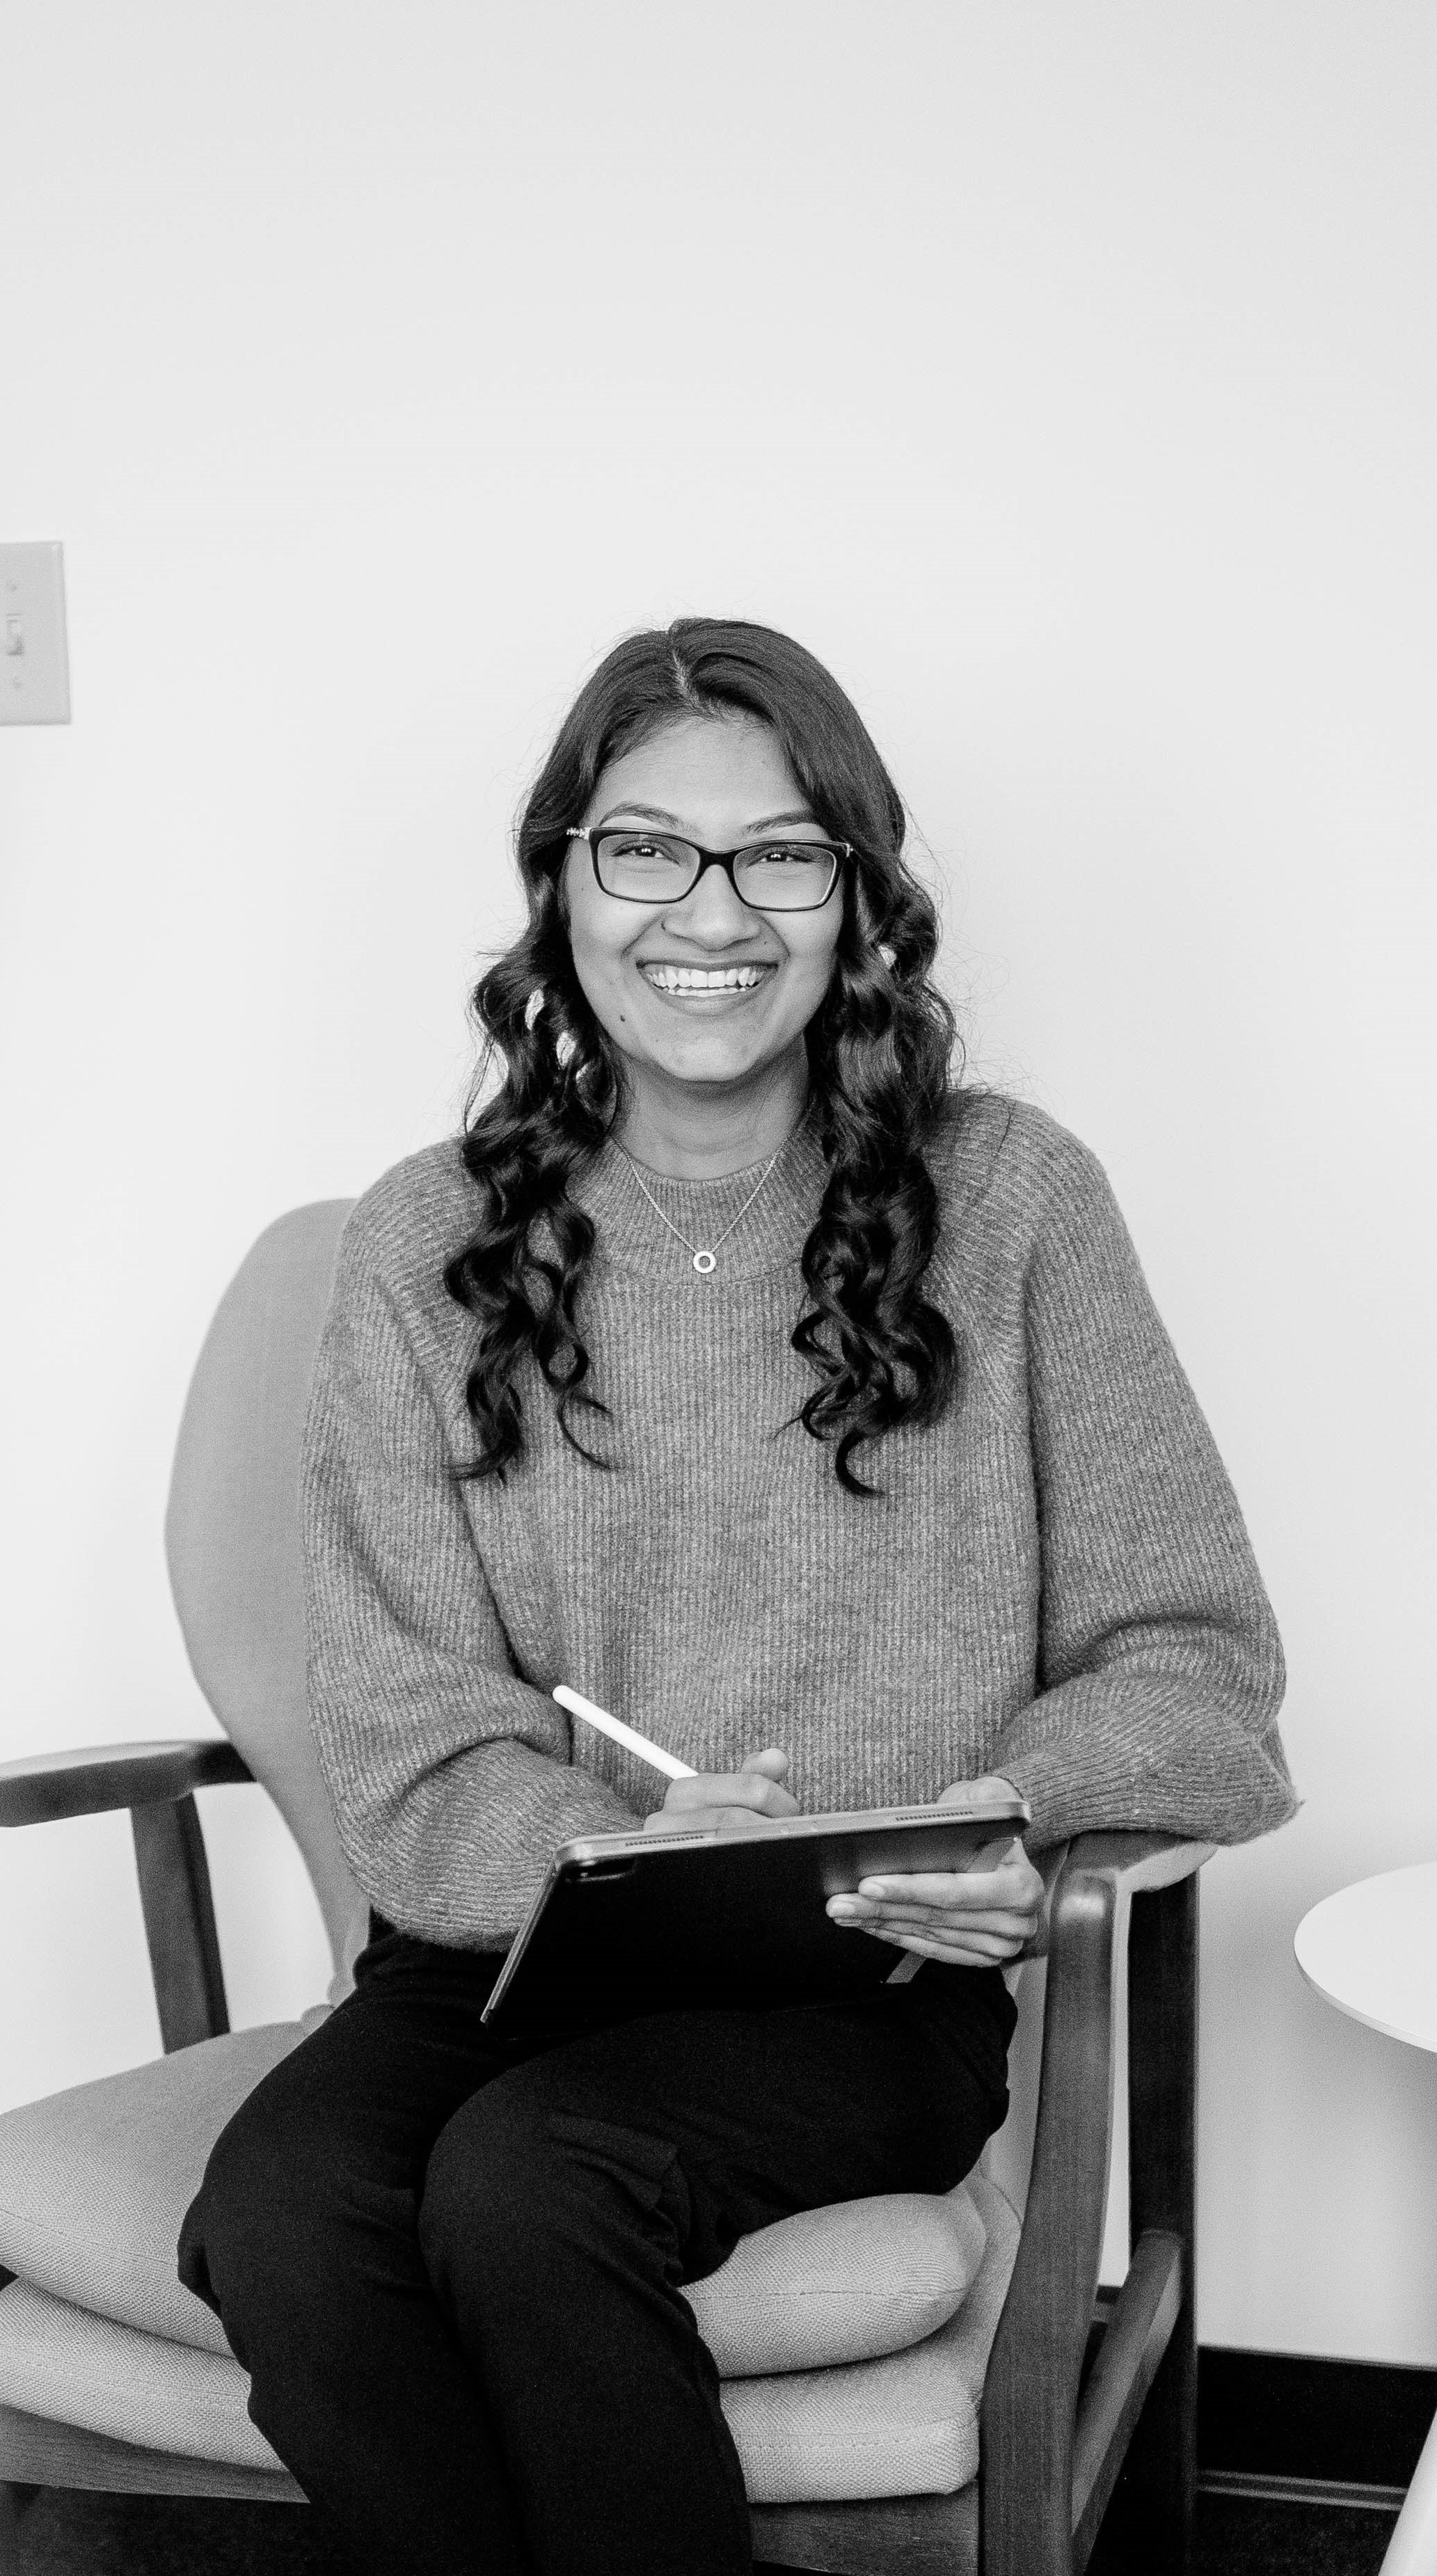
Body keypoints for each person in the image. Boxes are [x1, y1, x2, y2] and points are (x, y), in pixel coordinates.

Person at [178, 617, 1297, 2576]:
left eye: (780, 853)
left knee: (532, 2186)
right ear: (562, 880)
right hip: (508, 1943)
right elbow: (406, 1708)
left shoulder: (1014, 1201)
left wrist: (1010, 1818)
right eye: (645, 847)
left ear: (856, 901)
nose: (712, 909)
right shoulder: (420, 1244)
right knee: (278, 2209)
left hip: (860, 1970)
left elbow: (1189, 1653)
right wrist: (614, 1841)